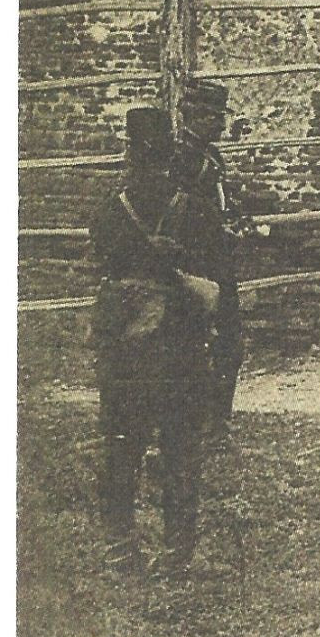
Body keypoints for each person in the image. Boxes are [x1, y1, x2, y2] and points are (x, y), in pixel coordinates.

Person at [88, 106, 224, 578]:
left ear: (129, 153)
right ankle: (177, 553)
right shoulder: (198, 211)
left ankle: (120, 550)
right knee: (180, 450)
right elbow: (216, 286)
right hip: (180, 350)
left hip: (124, 351)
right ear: (169, 153)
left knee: (121, 448)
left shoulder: (107, 212)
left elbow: (102, 265)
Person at [173, 78, 246, 433]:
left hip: (219, 259)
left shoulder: (210, 155)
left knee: (230, 341)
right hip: (195, 262)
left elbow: (218, 203)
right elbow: (183, 216)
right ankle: (199, 420)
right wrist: (218, 230)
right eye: (215, 116)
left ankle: (218, 417)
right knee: (199, 342)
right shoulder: (180, 159)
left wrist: (235, 220)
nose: (221, 124)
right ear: (195, 117)